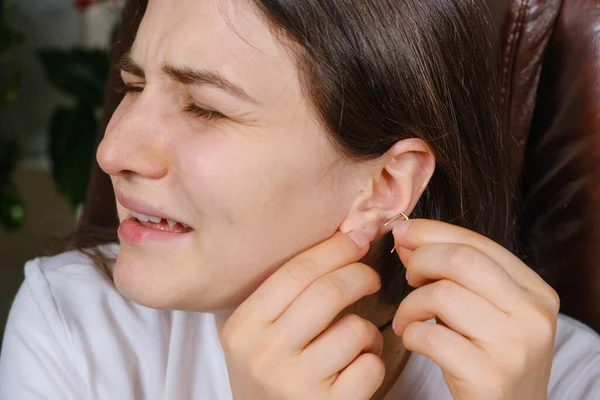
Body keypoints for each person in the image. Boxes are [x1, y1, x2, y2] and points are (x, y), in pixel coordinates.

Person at [2, 0, 600, 399]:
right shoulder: (75, 326)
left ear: (387, 185)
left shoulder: (563, 377)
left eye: (205, 107)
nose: (113, 151)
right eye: (133, 86)